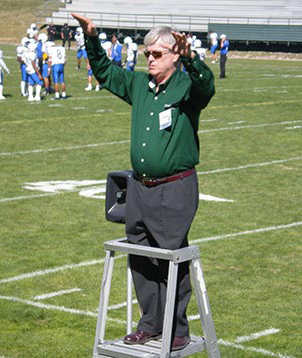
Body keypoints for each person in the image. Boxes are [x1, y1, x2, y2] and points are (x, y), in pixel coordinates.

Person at [71, 13, 215, 351]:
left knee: (170, 256)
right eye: (146, 53)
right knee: (140, 255)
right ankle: (150, 323)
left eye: (157, 54)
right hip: (138, 187)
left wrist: (192, 58)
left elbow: (206, 86)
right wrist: (91, 37)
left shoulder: (186, 86)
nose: (149, 59)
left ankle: (176, 327)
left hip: (174, 187)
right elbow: (105, 72)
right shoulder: (139, 84)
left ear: (174, 54)